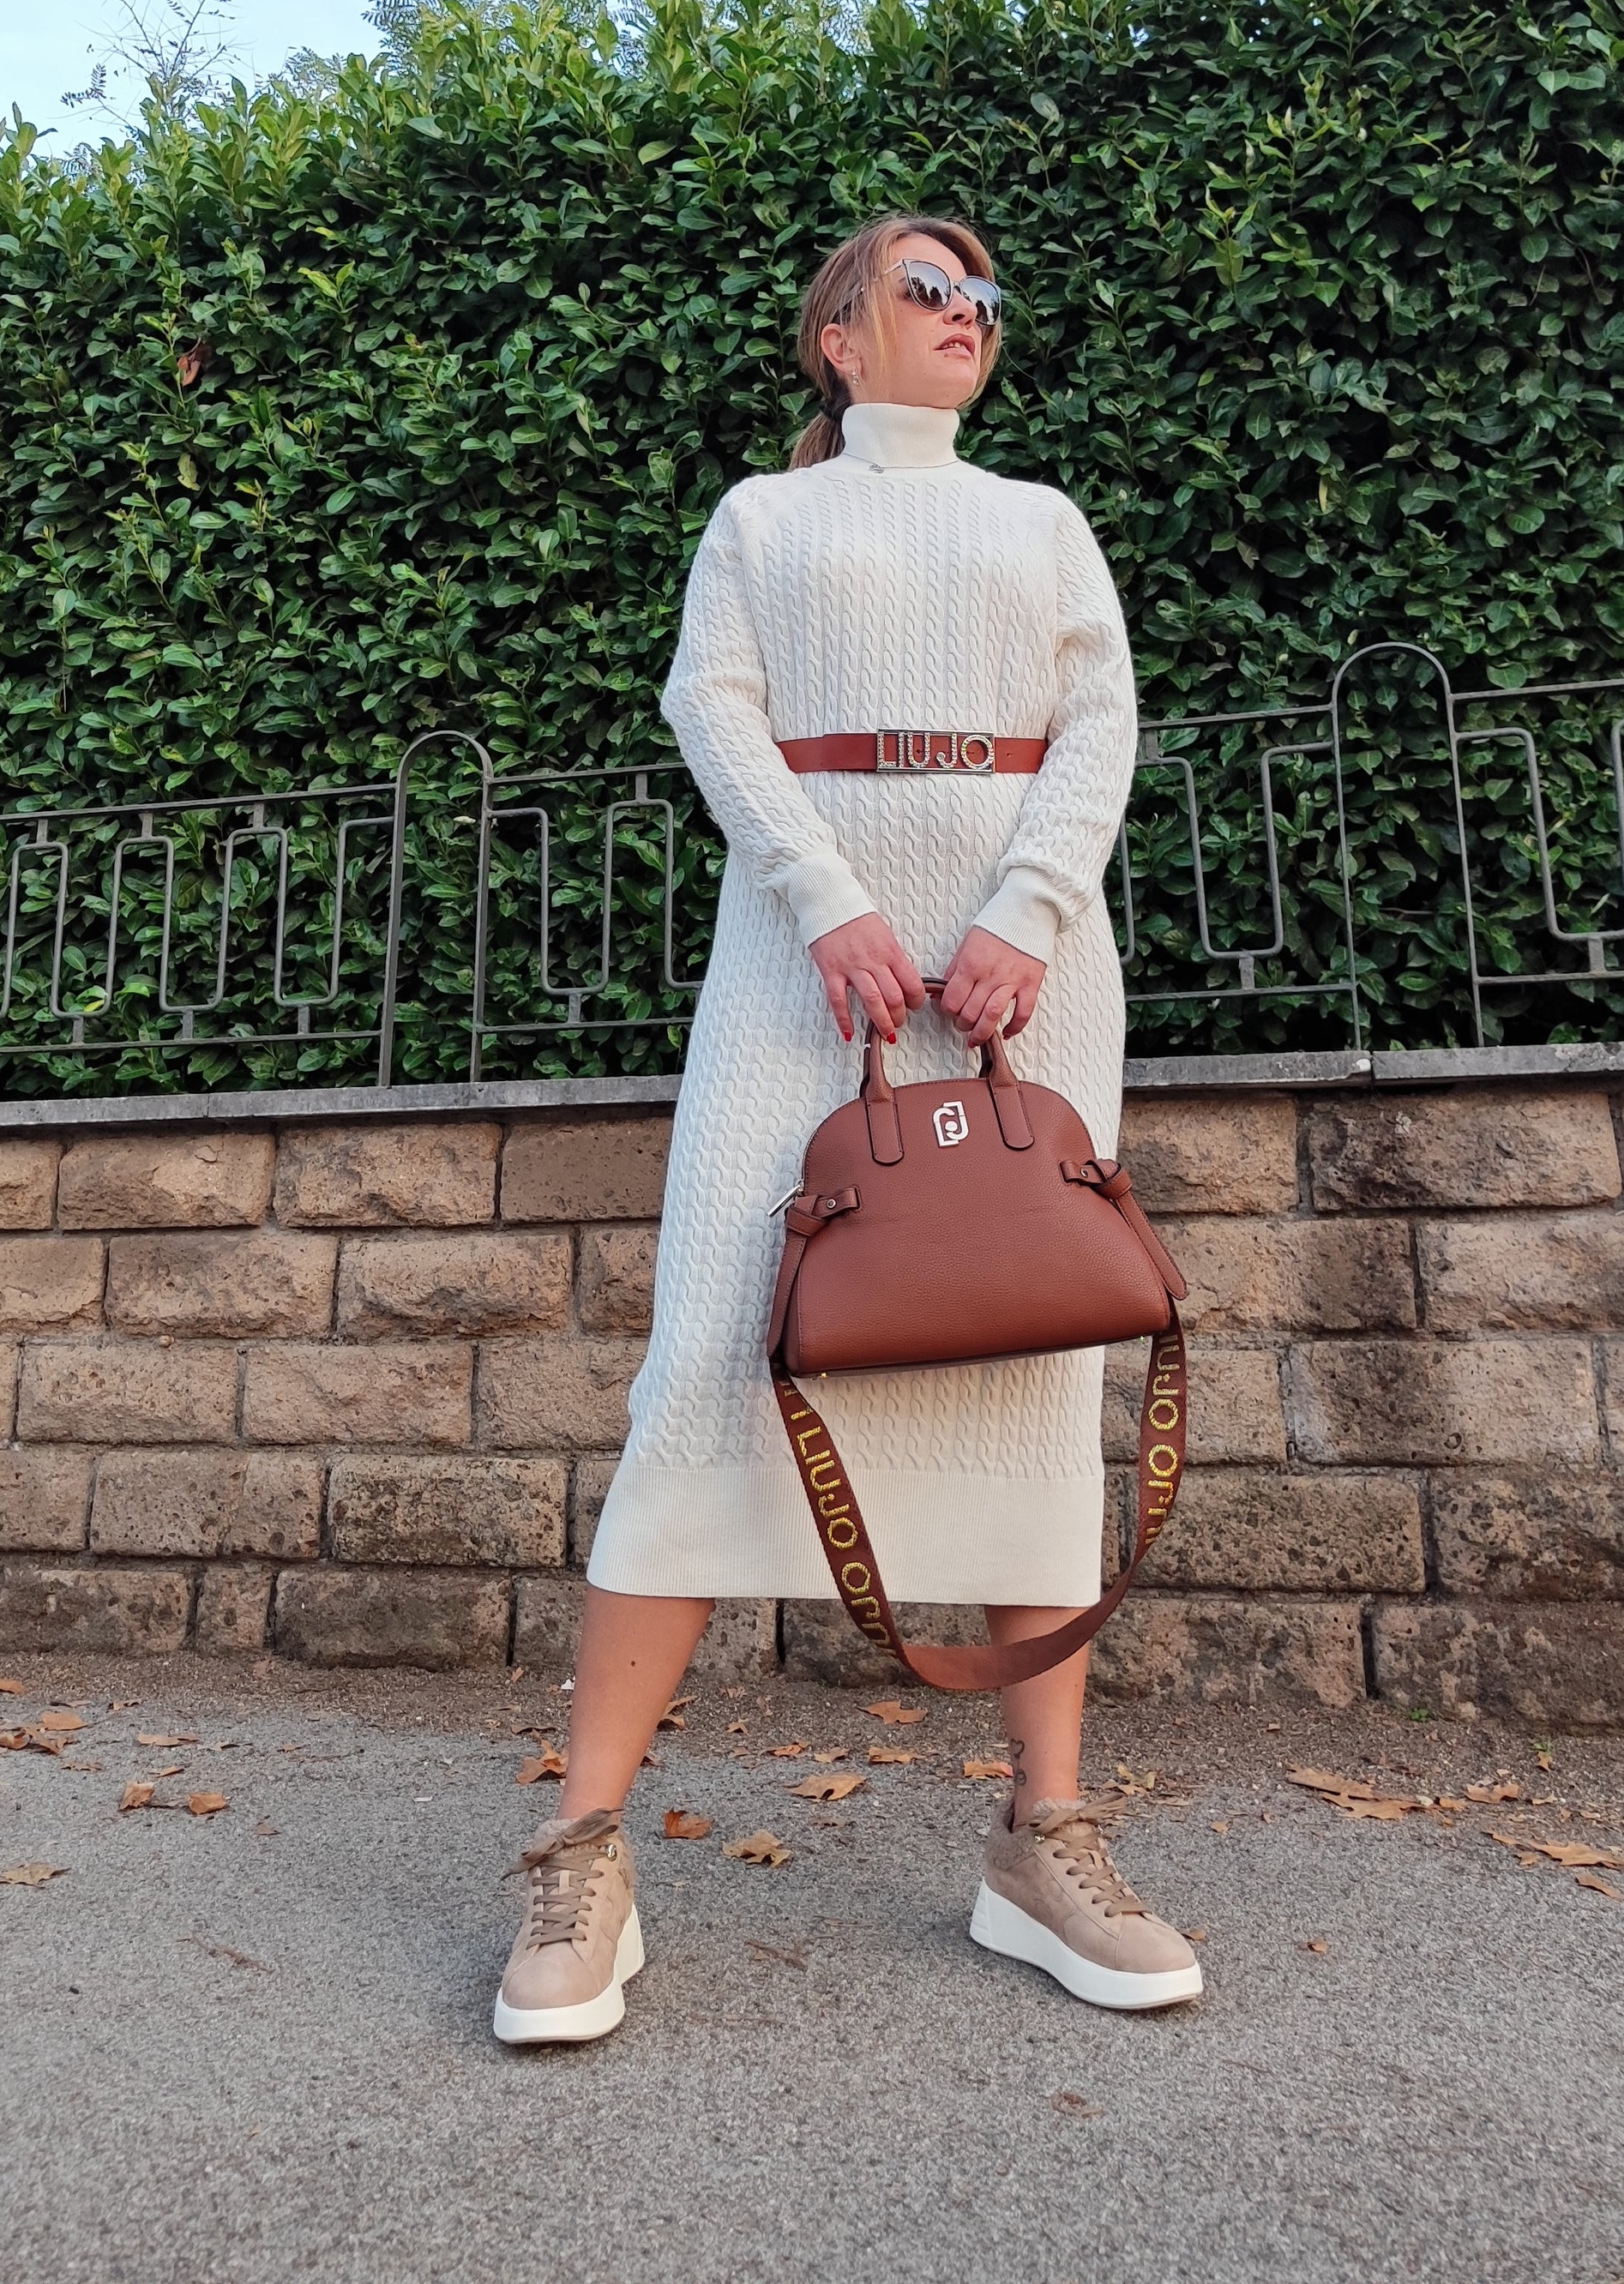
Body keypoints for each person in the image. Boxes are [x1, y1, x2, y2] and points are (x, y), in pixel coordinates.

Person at [494, 214, 1201, 2044]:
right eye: (923, 287)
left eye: (982, 292)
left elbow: (1101, 722)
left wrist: (1022, 916)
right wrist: (828, 902)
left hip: (1024, 977)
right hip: (794, 977)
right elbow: (712, 709)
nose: (964, 312)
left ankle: (1042, 1836)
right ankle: (580, 1846)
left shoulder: (1040, 517)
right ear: (839, 336)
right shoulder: (763, 519)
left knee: (1029, 1359)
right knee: (710, 1365)